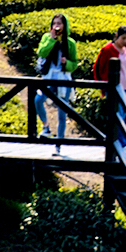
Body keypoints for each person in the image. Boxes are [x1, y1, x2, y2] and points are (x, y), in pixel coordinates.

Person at [34, 13, 77, 156]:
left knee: (62, 113)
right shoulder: (47, 38)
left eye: (60, 23)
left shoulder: (70, 43)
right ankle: (46, 126)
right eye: (54, 23)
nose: (57, 26)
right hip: (49, 76)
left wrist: (67, 63)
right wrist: (52, 40)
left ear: (65, 26)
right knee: (38, 100)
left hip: (63, 78)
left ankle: (58, 144)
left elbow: (74, 64)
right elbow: (41, 52)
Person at [93, 26, 126, 98]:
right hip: (113, 87)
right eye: (123, 38)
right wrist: (102, 86)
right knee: (119, 109)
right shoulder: (108, 49)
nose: (125, 41)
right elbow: (98, 67)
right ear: (117, 36)